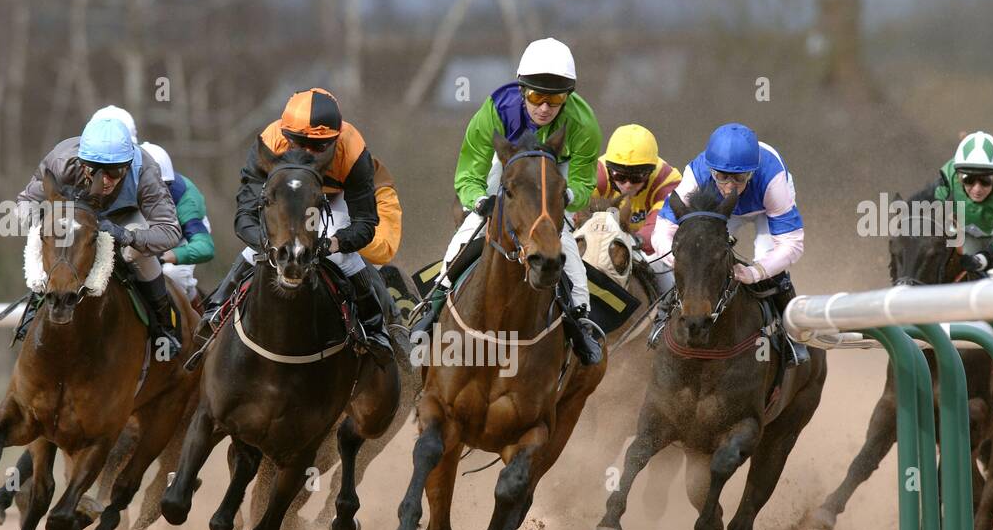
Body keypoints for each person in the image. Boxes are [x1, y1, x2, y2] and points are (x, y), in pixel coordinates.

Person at [414, 37, 605, 365]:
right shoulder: (495, 110)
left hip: (552, 174)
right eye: (536, 96)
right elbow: (469, 172)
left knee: (564, 244)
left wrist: (566, 196)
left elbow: (584, 180)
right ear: (522, 90)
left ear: (568, 97)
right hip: (507, 168)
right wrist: (479, 203)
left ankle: (580, 320)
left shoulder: (583, 123)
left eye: (555, 99)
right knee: (467, 234)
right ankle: (432, 309)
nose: (545, 107)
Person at [194, 88, 392, 364]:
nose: (309, 153)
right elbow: (245, 216)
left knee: (346, 258)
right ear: (286, 135)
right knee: (256, 253)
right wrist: (267, 244)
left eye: (319, 146)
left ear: (335, 139)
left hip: (331, 201)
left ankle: (375, 329)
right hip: (286, 200)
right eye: (299, 143)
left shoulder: (353, 149)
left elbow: (365, 222)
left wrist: (336, 242)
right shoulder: (270, 142)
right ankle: (216, 310)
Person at [14, 116, 184, 354]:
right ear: (82, 162)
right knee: (54, 240)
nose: (103, 180)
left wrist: (126, 236)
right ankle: (33, 312)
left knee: (137, 254)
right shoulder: (61, 161)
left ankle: (164, 327)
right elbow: (26, 202)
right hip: (74, 216)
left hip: (125, 218)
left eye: (114, 172)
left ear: (128, 164)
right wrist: (46, 226)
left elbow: (169, 231)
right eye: (94, 170)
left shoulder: (145, 170)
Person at [651, 122, 809, 365]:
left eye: (739, 178)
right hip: (720, 212)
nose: (730, 187)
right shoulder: (697, 175)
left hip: (764, 210)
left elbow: (792, 243)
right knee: (697, 255)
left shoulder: (773, 181)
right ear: (711, 170)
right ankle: (662, 318)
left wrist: (756, 271)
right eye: (723, 177)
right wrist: (680, 260)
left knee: (766, 263)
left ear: (752, 173)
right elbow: (663, 230)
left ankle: (791, 337)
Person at [910, 130, 993, 369]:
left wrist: (983, 260)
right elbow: (930, 208)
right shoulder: (948, 175)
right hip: (969, 228)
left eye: (986, 181)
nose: (977, 188)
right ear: (958, 174)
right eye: (969, 180)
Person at [587, 123, 683, 254]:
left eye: (637, 177)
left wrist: (632, 241)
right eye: (619, 176)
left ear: (651, 172)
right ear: (609, 169)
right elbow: (577, 217)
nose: (627, 185)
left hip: (646, 251)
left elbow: (661, 228)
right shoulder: (594, 176)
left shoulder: (667, 180)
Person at [138, 141, 215, 301]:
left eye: (163, 186)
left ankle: (197, 312)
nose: (158, 193)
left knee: (173, 275)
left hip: (180, 239)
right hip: (148, 238)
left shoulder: (186, 198)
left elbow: (205, 247)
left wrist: (168, 256)